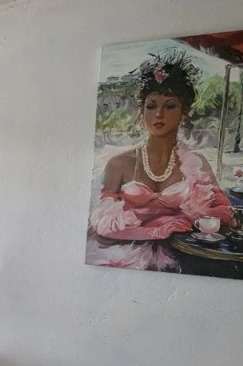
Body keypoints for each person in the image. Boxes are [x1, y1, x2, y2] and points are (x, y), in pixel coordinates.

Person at [87, 50, 233, 271]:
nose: (159, 114)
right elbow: (103, 223)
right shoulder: (119, 163)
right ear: (141, 111)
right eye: (151, 106)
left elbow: (225, 210)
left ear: (184, 111)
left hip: (179, 254)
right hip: (123, 257)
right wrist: (156, 230)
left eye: (170, 106)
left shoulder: (197, 163)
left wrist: (192, 218)